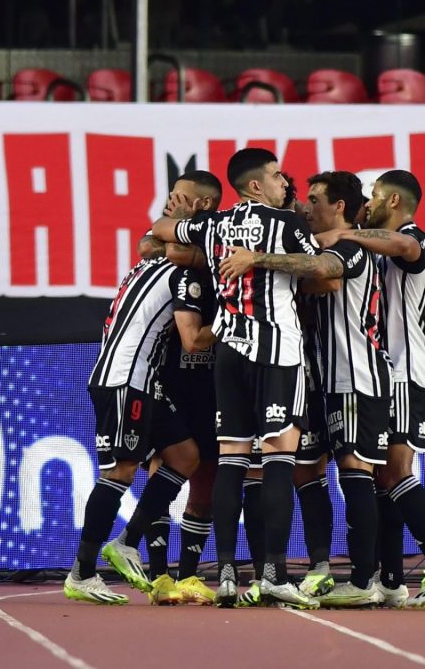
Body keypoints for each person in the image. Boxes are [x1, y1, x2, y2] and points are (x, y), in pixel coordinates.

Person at [151, 147, 320, 609]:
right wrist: (262, 260)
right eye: (277, 176)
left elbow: (160, 231)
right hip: (277, 353)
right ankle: (274, 574)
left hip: (229, 351)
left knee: (231, 460)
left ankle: (226, 574)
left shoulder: (217, 224)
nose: (286, 183)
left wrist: (178, 223)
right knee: (279, 459)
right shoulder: (286, 224)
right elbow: (324, 271)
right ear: (255, 186)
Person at [220, 170, 390, 607]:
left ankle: (366, 577)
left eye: (315, 200)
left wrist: (259, 261)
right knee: (308, 469)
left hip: (354, 375)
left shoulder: (351, 247)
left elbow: (327, 275)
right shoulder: (311, 238)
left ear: (337, 207)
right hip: (314, 374)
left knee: (355, 472)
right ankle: (318, 568)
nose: (306, 207)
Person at [315, 169, 425, 609]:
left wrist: (347, 235)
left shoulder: (412, 238)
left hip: (405, 370)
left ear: (395, 200)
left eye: (377, 196)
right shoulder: (377, 247)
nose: (370, 203)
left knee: (396, 472)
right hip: (391, 370)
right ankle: (391, 577)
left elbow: (406, 247)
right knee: (383, 478)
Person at [63, 246, 202, 606]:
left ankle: (126, 541)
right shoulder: (180, 272)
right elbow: (191, 339)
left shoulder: (147, 264)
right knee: (120, 472)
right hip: (127, 379)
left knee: (185, 456)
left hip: (146, 382)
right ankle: (82, 572)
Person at [140, 171, 224, 607]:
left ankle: (189, 576)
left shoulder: (224, 235)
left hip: (213, 381)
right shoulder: (162, 235)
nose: (170, 204)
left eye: (179, 198)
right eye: (169, 196)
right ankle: (158, 576)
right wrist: (174, 232)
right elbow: (151, 248)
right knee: (164, 464)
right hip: (167, 377)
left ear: (203, 206)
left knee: (206, 479)